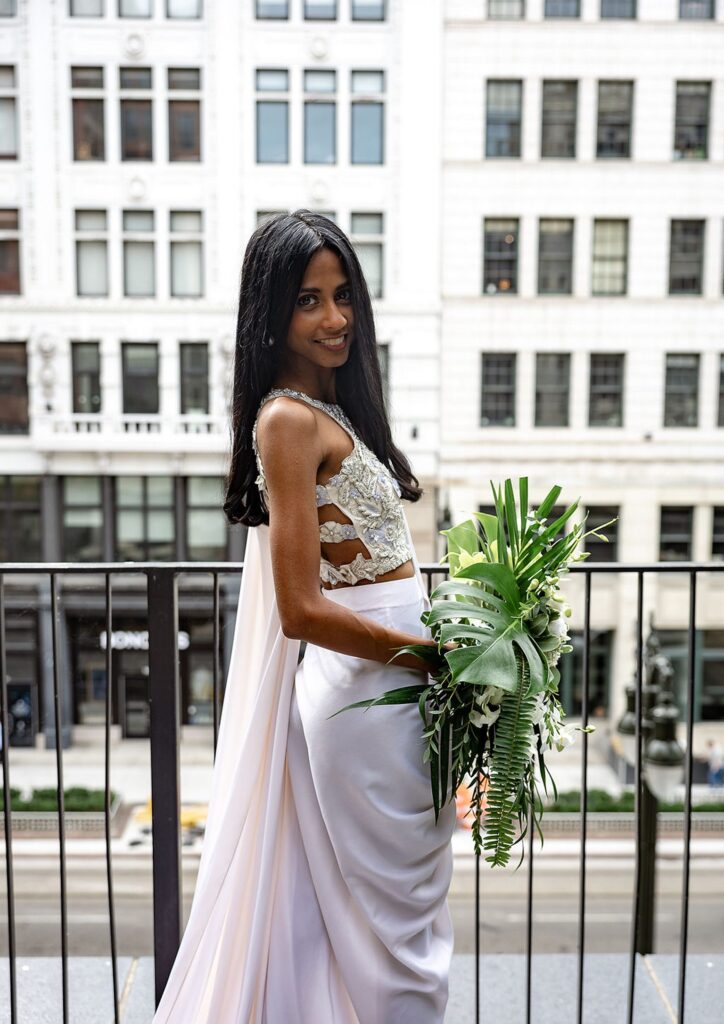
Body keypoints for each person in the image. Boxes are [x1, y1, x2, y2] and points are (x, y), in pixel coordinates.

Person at [152, 210, 457, 1023]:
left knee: (394, 922)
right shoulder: (286, 420)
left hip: (394, 687)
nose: (335, 318)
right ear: (271, 316)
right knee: (394, 935)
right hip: (367, 693)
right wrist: (429, 659)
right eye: (308, 301)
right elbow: (300, 610)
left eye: (343, 294)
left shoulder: (337, 409)